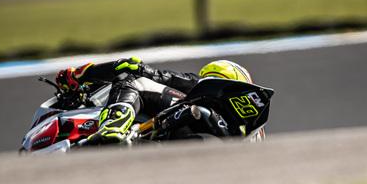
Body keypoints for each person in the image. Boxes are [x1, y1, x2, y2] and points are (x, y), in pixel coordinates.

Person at [55, 57, 253, 144]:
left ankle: (112, 127)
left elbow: (133, 68)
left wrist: (84, 74)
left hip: (195, 118)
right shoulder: (250, 127)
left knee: (134, 80)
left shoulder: (201, 85)